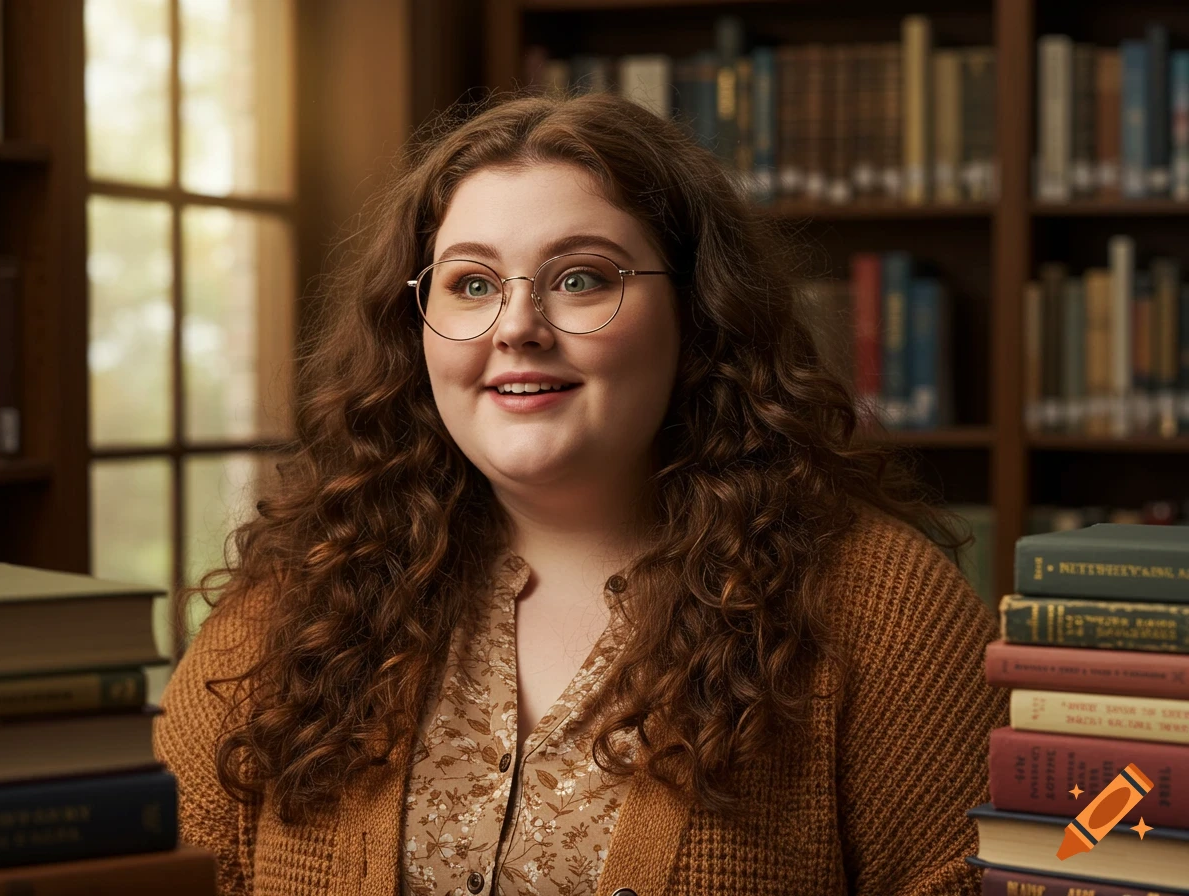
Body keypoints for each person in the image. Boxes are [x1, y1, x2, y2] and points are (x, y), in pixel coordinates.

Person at [154, 90, 1009, 896]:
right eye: (472, 284)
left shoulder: (879, 610)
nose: (517, 326)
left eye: (580, 279)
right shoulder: (297, 599)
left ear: (699, 315)